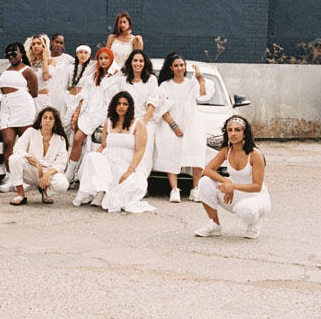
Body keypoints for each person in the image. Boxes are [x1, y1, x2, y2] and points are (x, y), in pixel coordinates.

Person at [72, 92, 155, 213]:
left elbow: (140, 151)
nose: (121, 106)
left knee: (133, 185)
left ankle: (108, 194)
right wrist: (95, 162)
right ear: (114, 106)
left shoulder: (138, 124)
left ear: (130, 107)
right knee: (90, 157)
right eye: (118, 103)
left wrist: (129, 171)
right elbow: (103, 146)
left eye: (125, 104)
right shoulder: (109, 122)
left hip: (128, 165)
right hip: (109, 162)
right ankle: (101, 190)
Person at [194, 116, 270, 239]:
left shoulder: (255, 154)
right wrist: (226, 181)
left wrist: (233, 186)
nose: (233, 133)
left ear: (245, 133)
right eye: (230, 130)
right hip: (234, 195)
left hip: (256, 197)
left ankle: (254, 221)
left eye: (237, 130)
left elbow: (257, 186)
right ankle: (214, 224)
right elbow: (207, 170)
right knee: (204, 182)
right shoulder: (226, 151)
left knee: (245, 210)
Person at [152, 52, 210, 203]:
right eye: (176, 65)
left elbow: (203, 94)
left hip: (191, 122)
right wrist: (173, 125)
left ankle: (195, 188)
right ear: (171, 68)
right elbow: (161, 108)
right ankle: (174, 189)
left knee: (196, 154)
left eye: (182, 65)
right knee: (172, 154)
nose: (179, 68)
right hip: (171, 124)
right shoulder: (165, 85)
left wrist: (200, 78)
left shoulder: (191, 83)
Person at [64, 47, 118, 183]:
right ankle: (70, 173)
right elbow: (84, 95)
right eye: (101, 58)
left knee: (95, 145)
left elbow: (116, 98)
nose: (103, 61)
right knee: (77, 139)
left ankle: (91, 176)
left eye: (106, 58)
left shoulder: (116, 77)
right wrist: (78, 111)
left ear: (111, 60)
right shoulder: (93, 75)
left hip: (105, 113)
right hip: (89, 111)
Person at [0, 42, 38, 192]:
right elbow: (3, 93)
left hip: (23, 108)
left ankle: (25, 178)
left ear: (22, 54)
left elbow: (34, 93)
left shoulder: (28, 71)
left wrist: (19, 98)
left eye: (14, 54)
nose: (11, 57)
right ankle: (11, 177)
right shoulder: (6, 70)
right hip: (7, 110)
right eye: (8, 55)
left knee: (23, 143)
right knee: (8, 142)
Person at [8, 107, 70, 205]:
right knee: (14, 158)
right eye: (45, 117)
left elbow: (61, 163)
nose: (47, 120)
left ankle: (45, 192)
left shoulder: (60, 139)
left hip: (48, 172)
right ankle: (20, 194)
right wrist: (36, 162)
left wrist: (47, 174)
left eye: (51, 118)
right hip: (31, 170)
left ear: (55, 123)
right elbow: (18, 148)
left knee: (63, 184)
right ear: (40, 120)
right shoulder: (31, 132)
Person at [115, 49, 159, 179]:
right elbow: (118, 101)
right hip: (125, 121)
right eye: (135, 60)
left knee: (144, 151)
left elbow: (153, 103)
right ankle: (125, 180)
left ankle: (141, 181)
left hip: (146, 122)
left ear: (145, 63)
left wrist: (142, 124)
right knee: (125, 151)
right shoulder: (122, 80)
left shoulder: (151, 80)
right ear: (130, 62)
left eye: (141, 61)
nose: (138, 63)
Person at [60, 45, 92, 141]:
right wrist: (66, 101)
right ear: (77, 54)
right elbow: (63, 87)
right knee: (66, 124)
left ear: (89, 55)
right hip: (71, 100)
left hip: (84, 102)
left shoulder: (92, 70)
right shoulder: (69, 68)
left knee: (80, 127)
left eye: (85, 53)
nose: (83, 55)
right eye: (80, 52)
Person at [25, 34, 56, 113]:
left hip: (43, 98)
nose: (36, 46)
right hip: (30, 99)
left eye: (39, 43)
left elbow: (45, 77)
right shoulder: (29, 63)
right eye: (33, 44)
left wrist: (45, 59)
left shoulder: (50, 61)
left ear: (43, 46)